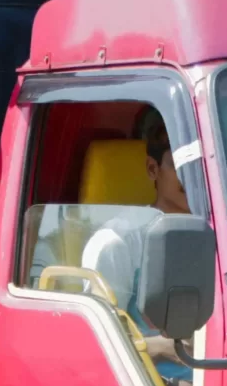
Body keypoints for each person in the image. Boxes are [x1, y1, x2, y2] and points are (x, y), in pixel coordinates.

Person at [78, 110, 194, 361]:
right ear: (153, 169)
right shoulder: (118, 241)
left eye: (202, 166)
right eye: (181, 167)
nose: (195, 177)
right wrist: (169, 348)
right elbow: (98, 343)